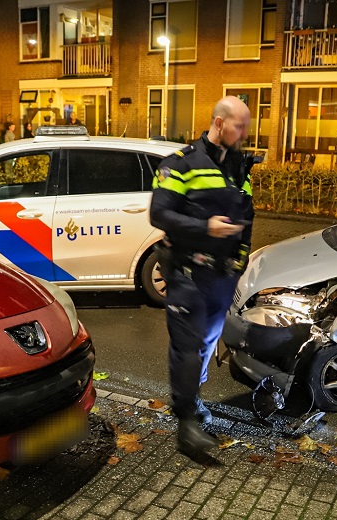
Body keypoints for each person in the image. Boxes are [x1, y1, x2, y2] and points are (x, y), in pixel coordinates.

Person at [150, 96, 254, 459]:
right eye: (239, 126)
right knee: (188, 346)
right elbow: (159, 214)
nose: (244, 133)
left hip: (220, 277)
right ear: (219, 122)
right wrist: (204, 227)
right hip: (187, 273)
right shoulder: (181, 164)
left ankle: (192, 400)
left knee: (207, 345)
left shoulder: (237, 167)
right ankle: (187, 423)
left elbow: (247, 215)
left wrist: (239, 259)